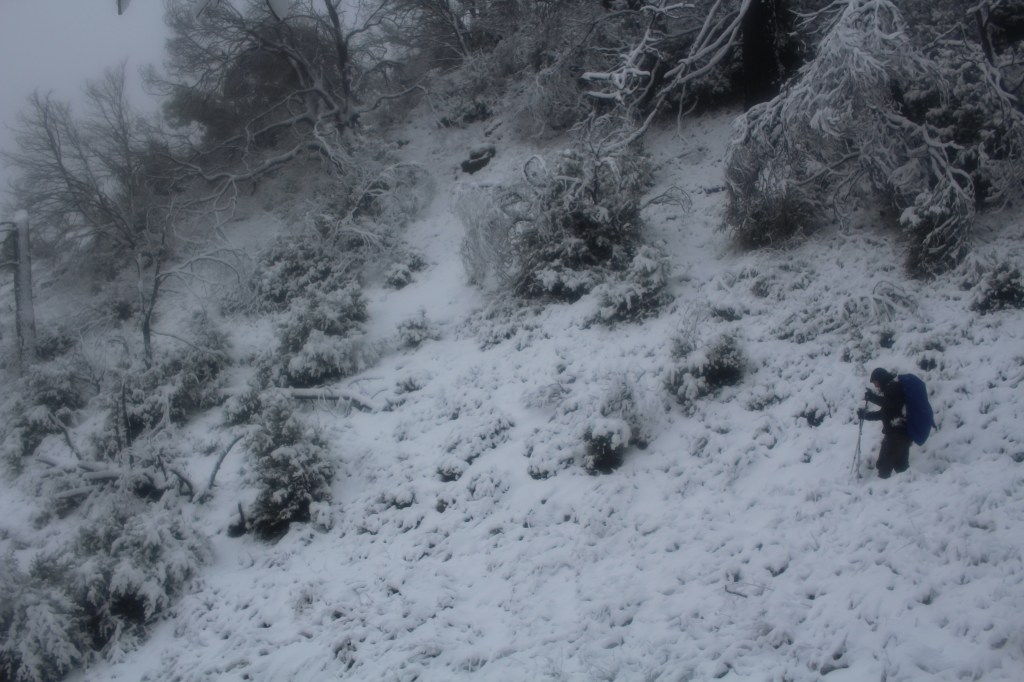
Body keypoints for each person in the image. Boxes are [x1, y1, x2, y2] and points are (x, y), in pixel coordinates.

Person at [858, 367, 911, 479]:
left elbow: (891, 404)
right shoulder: (890, 389)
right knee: (901, 468)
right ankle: (909, 486)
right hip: (900, 435)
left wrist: (872, 398)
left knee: (884, 468)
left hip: (896, 435)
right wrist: (865, 415)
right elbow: (883, 413)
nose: (876, 386)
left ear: (881, 379)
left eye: (876, 382)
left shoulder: (893, 387)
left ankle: (882, 489)